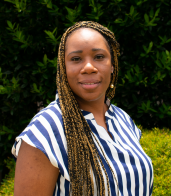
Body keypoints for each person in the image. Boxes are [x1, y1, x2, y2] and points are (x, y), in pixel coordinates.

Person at [12, 21, 153, 196]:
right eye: (76, 59)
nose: (88, 67)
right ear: (63, 69)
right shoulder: (45, 129)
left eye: (99, 57)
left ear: (113, 65)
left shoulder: (123, 119)